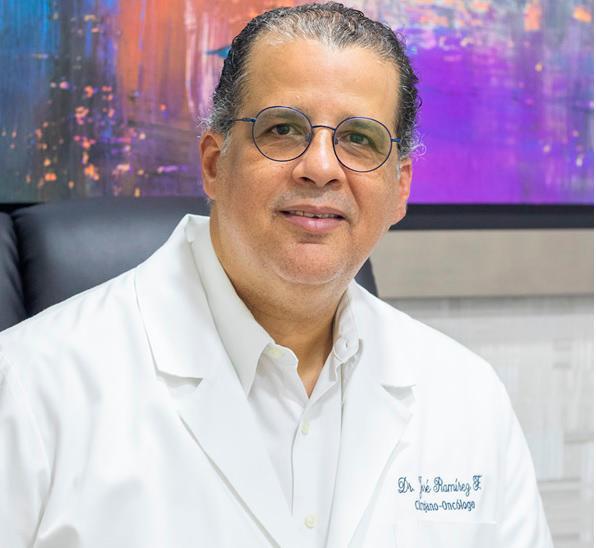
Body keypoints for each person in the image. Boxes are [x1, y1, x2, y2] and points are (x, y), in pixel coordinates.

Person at [0, 3, 553, 547]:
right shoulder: (30, 385)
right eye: (284, 129)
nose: (321, 168)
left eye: (359, 139)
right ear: (214, 163)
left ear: (400, 189)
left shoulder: (466, 395)